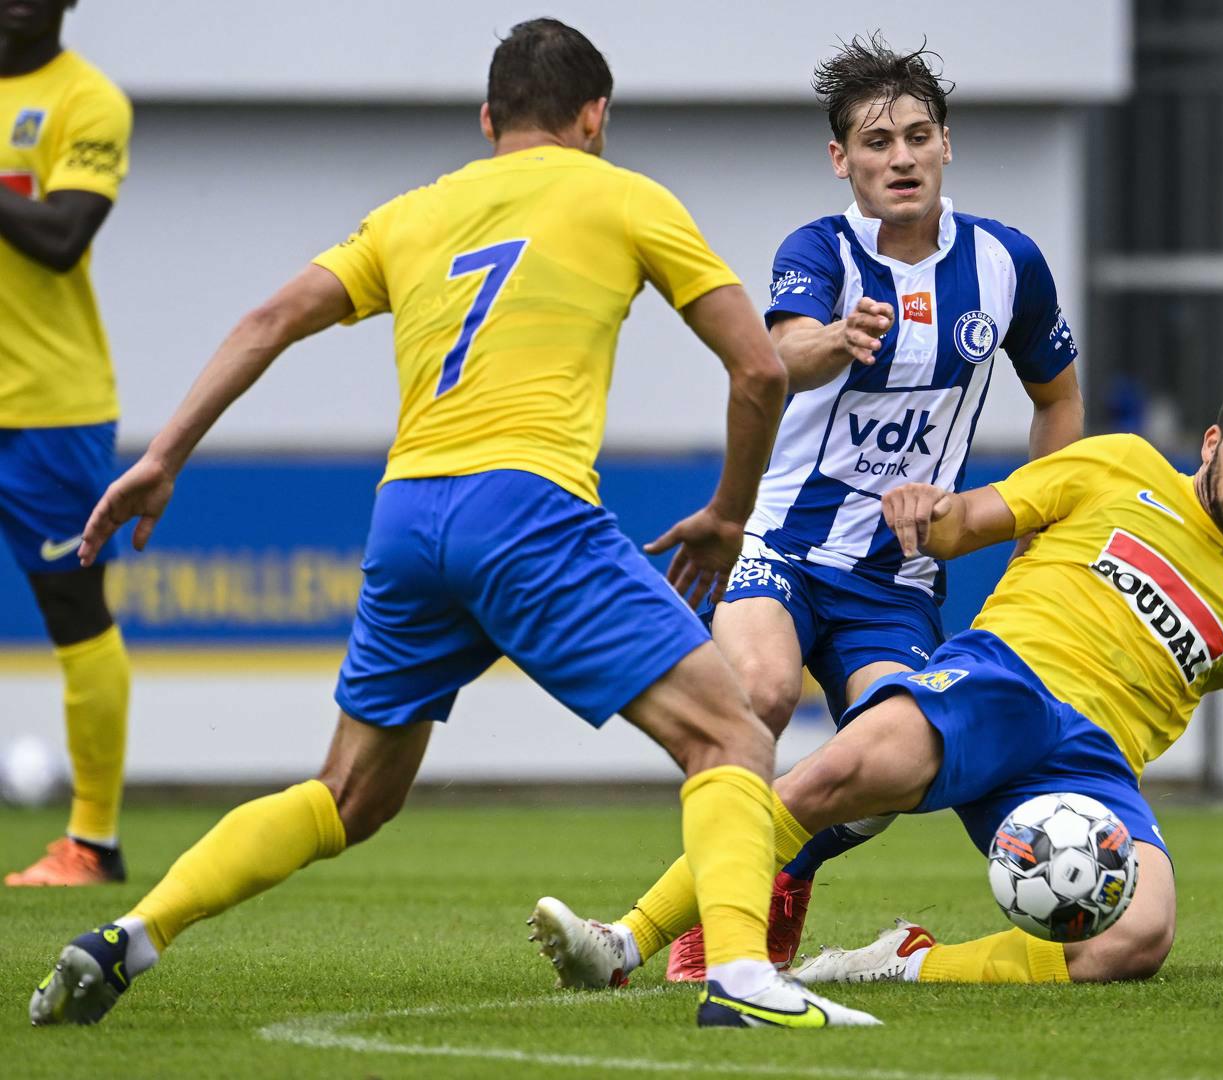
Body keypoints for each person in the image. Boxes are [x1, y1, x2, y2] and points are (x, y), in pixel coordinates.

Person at [30, 19, 876, 1030]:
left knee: (349, 796)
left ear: (489, 120)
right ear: (596, 116)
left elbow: (267, 320)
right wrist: (730, 513)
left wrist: (162, 456)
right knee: (732, 734)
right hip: (527, 508)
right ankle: (742, 981)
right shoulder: (625, 194)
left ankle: (129, 934)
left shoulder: (411, 215)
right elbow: (760, 368)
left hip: (408, 518)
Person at [535, 370, 1223, 988]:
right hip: (1002, 684)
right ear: (1213, 443)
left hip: (1088, 772)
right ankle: (623, 943)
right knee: (822, 783)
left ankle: (902, 965)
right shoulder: (1117, 467)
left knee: (1139, 939)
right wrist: (928, 509)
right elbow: (972, 521)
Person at [657, 33, 1084, 981]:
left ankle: (783, 875)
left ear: (945, 144)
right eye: (876, 141)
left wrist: (1014, 520)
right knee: (759, 695)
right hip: (783, 545)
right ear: (840, 157)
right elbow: (779, 357)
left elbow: (1059, 402)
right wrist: (837, 339)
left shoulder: (1008, 264)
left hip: (898, 579)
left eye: (917, 136)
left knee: (885, 776)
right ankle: (707, 935)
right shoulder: (819, 251)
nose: (900, 157)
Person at [1, 0, 134, 887]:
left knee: (73, 613)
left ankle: (93, 842)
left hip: (50, 406)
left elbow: (60, 235)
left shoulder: (88, 99)